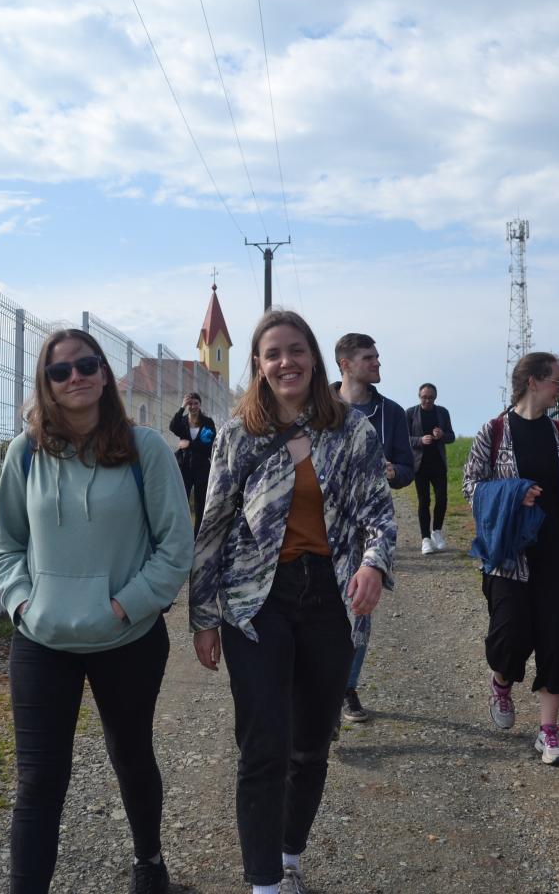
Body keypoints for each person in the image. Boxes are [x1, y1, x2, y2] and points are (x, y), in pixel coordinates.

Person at [190, 310, 396, 894]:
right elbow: (213, 526)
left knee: (310, 744)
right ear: (258, 365)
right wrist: (204, 617)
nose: (287, 362)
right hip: (257, 602)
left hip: (330, 597)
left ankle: (288, 858)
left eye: (296, 350)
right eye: (273, 353)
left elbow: (378, 512)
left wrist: (373, 563)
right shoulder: (238, 435)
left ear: (314, 357)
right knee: (264, 744)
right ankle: (263, 884)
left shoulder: (352, 431)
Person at [0, 329, 193, 894]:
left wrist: (126, 606)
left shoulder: (145, 449)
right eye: (60, 371)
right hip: (42, 640)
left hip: (128, 638)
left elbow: (176, 546)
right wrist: (23, 604)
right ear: (46, 384)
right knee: (38, 781)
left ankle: (149, 863)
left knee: (131, 754)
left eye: (85, 365)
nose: (74, 376)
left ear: (104, 374)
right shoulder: (24, 454)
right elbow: (5, 546)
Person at [463, 353, 559, 765]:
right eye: (556, 380)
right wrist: (513, 493)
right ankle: (501, 681)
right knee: (509, 639)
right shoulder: (494, 432)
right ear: (533, 382)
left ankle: (548, 731)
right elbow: (471, 487)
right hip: (509, 556)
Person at [330, 332, 413, 725]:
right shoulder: (319, 406)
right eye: (369, 358)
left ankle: (346, 687)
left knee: (358, 609)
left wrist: (394, 472)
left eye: (377, 357)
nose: (378, 363)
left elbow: (408, 468)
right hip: (319, 527)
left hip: (367, 530)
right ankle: (317, 696)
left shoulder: (391, 413)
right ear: (345, 364)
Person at [406, 383, 456, 554]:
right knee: (424, 501)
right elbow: (404, 438)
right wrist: (420, 440)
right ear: (419, 396)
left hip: (438, 464)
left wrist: (442, 435)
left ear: (435, 397)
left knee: (442, 498)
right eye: (424, 397)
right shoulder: (410, 413)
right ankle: (425, 539)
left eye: (431, 397)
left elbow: (451, 437)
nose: (427, 400)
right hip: (420, 465)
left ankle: (437, 532)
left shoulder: (442, 412)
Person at [168, 391, 218, 535]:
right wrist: (181, 407)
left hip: (202, 467)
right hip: (184, 466)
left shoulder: (207, 422)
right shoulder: (183, 421)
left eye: (196, 403)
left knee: (200, 503)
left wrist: (189, 444)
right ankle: (182, 532)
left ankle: (198, 536)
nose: (193, 406)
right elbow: (172, 427)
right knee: (182, 500)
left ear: (200, 405)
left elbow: (210, 446)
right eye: (190, 403)